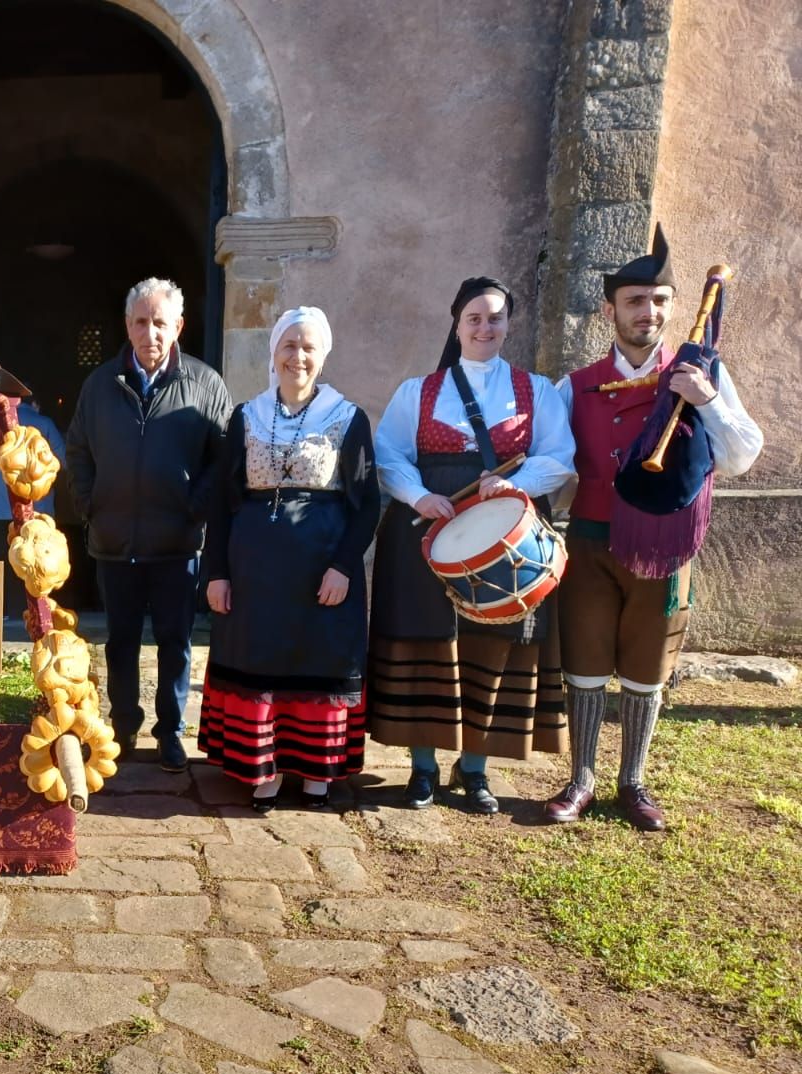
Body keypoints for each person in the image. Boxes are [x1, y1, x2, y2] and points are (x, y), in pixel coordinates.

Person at [547, 228, 763, 831]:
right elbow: (555, 464)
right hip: (590, 541)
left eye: (661, 301)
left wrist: (707, 399)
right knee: (585, 664)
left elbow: (744, 453)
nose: (650, 312)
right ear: (611, 309)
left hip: (665, 548)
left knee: (647, 668)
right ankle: (582, 778)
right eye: (637, 301)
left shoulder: (701, 372)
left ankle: (632, 782)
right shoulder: (576, 384)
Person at [369, 277, 576, 813]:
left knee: (493, 644)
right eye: (474, 319)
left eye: (495, 318)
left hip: (505, 535)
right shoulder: (417, 391)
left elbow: (558, 457)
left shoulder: (537, 390)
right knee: (429, 641)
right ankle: (422, 769)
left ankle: (476, 767)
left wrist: (516, 485)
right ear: (457, 324)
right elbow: (388, 455)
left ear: (509, 323)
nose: (485, 328)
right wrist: (418, 497)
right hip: (426, 536)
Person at [199, 307, 379, 811]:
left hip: (322, 571)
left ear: (321, 357)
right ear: (273, 352)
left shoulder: (348, 417)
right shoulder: (247, 415)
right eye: (288, 346)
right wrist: (217, 572)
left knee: (316, 659)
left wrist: (344, 565)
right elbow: (221, 501)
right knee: (260, 661)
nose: (297, 356)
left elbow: (368, 504)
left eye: (308, 348)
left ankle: (317, 773)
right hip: (254, 573)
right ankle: (264, 770)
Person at [66, 277, 231, 772]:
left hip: (176, 543)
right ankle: (122, 725)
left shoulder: (205, 384)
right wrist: (89, 503)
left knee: (176, 644)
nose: (150, 332)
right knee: (119, 642)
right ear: (127, 326)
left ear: (178, 326)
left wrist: (192, 506)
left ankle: (170, 731)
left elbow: (221, 461)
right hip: (114, 540)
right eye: (141, 321)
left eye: (160, 323)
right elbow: (77, 450)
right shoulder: (99, 386)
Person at [0, 394, 66, 616]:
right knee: (37, 565)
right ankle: (36, 615)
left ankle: (0, 613)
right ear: (35, 402)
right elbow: (65, 461)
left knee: (0, 563)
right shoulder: (45, 424)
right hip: (37, 513)